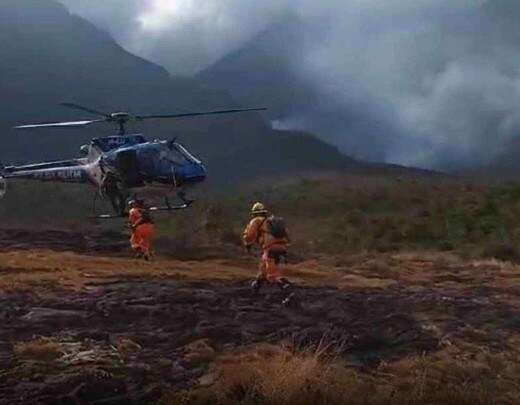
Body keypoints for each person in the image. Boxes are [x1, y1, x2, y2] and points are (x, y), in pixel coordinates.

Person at [243, 202, 292, 293]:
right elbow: (287, 235)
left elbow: (249, 235)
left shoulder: (256, 221)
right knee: (263, 268)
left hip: (270, 248)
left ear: (254, 213)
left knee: (271, 275)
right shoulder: (271, 222)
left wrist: (248, 244)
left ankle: (286, 289)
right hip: (282, 247)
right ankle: (256, 287)